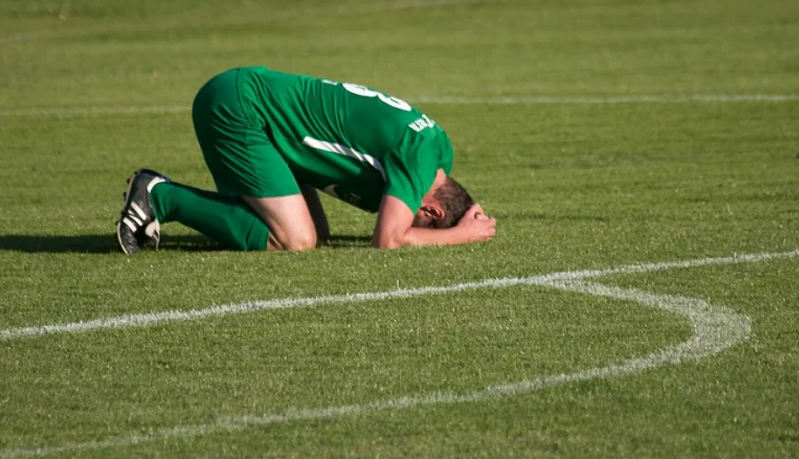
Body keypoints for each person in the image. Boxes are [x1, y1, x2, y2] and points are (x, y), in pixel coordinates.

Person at [116, 66, 495, 253]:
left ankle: (188, 204)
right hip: (241, 109)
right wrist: (462, 234)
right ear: (431, 213)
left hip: (257, 111)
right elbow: (388, 239)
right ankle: (159, 196)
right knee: (295, 239)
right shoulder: (419, 161)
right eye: (421, 220)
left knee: (315, 231)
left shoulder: (438, 151)